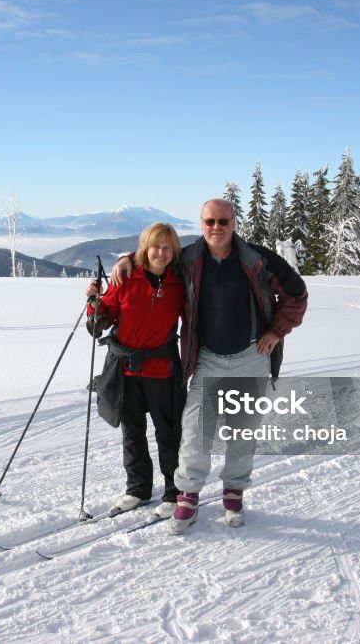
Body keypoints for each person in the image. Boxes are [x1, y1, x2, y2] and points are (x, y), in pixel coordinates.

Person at [112, 199, 307, 533]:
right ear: (201, 224)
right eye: (209, 222)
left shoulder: (258, 259)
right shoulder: (189, 258)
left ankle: (233, 493)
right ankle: (188, 496)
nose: (216, 228)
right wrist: (130, 259)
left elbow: (297, 294)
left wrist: (276, 331)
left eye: (223, 222)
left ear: (234, 223)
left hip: (251, 357)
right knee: (195, 431)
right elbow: (157, 258)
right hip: (208, 359)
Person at [86, 223, 187, 518]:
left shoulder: (180, 282)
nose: (161, 252)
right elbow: (100, 322)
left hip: (163, 370)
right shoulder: (126, 278)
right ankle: (138, 489)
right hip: (126, 371)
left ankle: (174, 492)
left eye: (167, 247)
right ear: (145, 249)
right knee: (132, 434)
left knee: (169, 434)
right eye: (155, 246)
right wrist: (93, 303)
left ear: (174, 252)